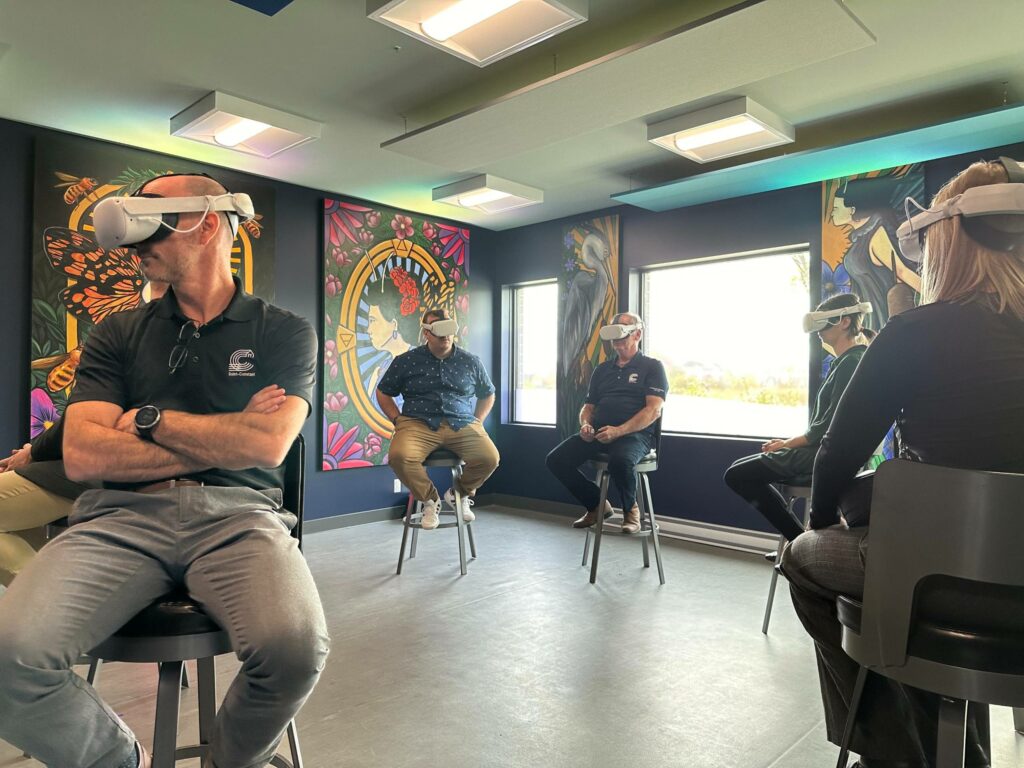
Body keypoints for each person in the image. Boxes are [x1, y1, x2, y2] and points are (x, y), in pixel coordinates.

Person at [0, 172, 330, 768]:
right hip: (120, 517)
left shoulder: (283, 331)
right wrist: (230, 436)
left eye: (151, 224)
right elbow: (84, 455)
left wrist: (146, 419)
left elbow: (270, 444)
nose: (135, 243)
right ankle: (119, 760)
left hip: (239, 518)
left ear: (205, 224)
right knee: (8, 657)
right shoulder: (118, 332)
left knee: (295, 649)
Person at [781, 158, 1024, 768]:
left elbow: (838, 453)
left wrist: (823, 519)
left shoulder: (914, 331)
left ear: (946, 240)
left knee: (807, 560)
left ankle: (894, 751)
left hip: (945, 578)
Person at [0, 382, 286, 588]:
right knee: (18, 530)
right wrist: (34, 452)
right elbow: (81, 424)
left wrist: (34, 453)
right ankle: (52, 601)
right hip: (90, 470)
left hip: (107, 478)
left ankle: (53, 607)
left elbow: (79, 426)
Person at [723, 293, 870, 540]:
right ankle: (800, 539)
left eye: (824, 322)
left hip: (824, 455)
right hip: (822, 450)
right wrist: (788, 443)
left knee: (737, 475)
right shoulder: (846, 362)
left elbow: (828, 427)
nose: (818, 331)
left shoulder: (850, 363)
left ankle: (797, 540)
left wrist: (786, 444)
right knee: (738, 471)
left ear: (845, 322)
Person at [377, 308, 499, 530]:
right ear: (426, 333)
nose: (445, 336)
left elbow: (488, 393)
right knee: (399, 457)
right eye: (439, 330)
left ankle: (459, 494)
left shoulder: (471, 361)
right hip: (417, 423)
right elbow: (383, 391)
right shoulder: (406, 361)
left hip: (462, 422)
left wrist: (478, 420)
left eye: (449, 329)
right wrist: (397, 420)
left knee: (489, 458)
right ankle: (430, 500)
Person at [545, 312, 667, 534]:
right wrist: (585, 424)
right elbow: (588, 407)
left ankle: (631, 511)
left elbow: (653, 410)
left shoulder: (652, 367)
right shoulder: (602, 370)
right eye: (613, 334)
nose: (616, 340)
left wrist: (619, 431)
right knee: (556, 460)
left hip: (634, 436)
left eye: (622, 333)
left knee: (621, 461)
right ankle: (596, 505)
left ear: (637, 334)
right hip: (599, 432)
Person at [365, 267, 416, 407]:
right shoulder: (380, 369)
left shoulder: (418, 363)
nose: (368, 330)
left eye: (372, 321)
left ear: (394, 324)